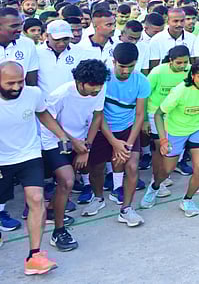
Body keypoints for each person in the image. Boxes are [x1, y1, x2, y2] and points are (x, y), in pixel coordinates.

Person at [0, 61, 72, 275]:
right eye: (10, 83)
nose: (16, 87)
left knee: (37, 200)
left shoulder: (33, 94)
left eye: (19, 82)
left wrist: (61, 134)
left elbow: (42, 114)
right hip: (2, 158)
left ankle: (35, 256)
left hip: (29, 154)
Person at [40, 59, 108, 252]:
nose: (96, 90)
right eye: (92, 86)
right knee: (67, 181)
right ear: (79, 82)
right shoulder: (60, 95)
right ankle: (58, 232)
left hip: (80, 139)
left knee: (87, 168)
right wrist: (73, 142)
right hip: (53, 140)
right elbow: (48, 121)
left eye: (99, 85)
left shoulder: (100, 89)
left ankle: (52, 210)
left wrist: (86, 147)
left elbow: (97, 117)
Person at [142, 59, 199, 217]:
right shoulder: (180, 91)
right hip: (176, 132)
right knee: (166, 171)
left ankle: (187, 200)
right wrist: (163, 139)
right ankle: (154, 187)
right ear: (193, 76)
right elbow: (159, 114)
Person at [82, 43, 149, 228]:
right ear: (114, 62)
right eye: (122, 66)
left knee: (133, 167)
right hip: (102, 128)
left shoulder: (142, 81)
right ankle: (98, 198)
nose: (126, 70)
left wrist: (127, 144)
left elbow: (140, 114)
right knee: (97, 168)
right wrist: (113, 141)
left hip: (128, 128)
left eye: (131, 66)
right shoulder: (104, 78)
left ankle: (126, 209)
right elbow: (98, 113)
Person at [144, 45, 191, 200]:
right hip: (156, 114)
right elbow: (144, 95)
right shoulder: (158, 72)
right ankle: (156, 181)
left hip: (177, 116)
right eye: (179, 63)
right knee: (160, 148)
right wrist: (144, 119)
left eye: (185, 62)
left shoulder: (190, 70)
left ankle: (164, 175)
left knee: (173, 148)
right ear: (170, 61)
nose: (183, 66)